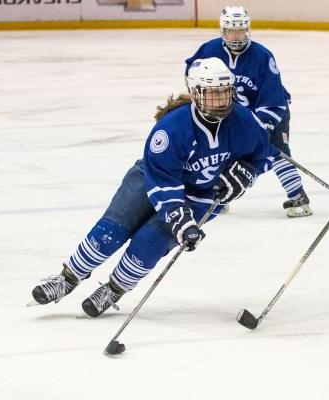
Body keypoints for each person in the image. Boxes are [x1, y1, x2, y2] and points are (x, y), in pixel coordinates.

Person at [30, 57, 272, 317]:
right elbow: (163, 181)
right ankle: (67, 278)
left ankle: (113, 290)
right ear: (196, 93)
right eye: (213, 95)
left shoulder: (244, 122)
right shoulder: (171, 129)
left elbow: (263, 154)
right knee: (110, 232)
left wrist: (248, 173)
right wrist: (181, 220)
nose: (221, 102)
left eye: (225, 93)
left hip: (202, 198)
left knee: (148, 245)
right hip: (151, 181)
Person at [185, 6, 312, 218]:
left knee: (276, 151)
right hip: (231, 115)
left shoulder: (262, 56)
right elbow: (191, 71)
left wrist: (263, 128)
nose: (236, 36)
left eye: (241, 31)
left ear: (248, 30)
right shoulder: (209, 50)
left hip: (272, 111)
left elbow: (273, 98)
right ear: (223, 32)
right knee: (222, 152)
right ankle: (219, 197)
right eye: (231, 31)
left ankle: (298, 195)